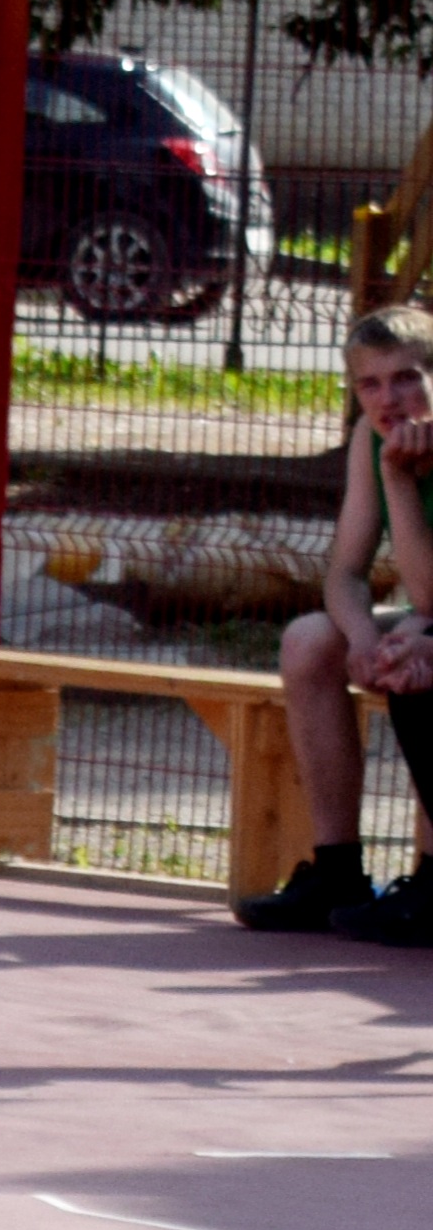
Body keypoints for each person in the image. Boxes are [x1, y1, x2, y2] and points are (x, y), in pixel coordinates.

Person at [234, 303, 433, 940]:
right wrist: (363, 637)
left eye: (406, 378)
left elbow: (430, 596)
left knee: (415, 654)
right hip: (428, 615)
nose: (389, 398)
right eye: (369, 384)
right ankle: (337, 870)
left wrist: (400, 485)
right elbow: (344, 574)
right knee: (309, 639)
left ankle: (432, 880)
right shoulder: (370, 440)